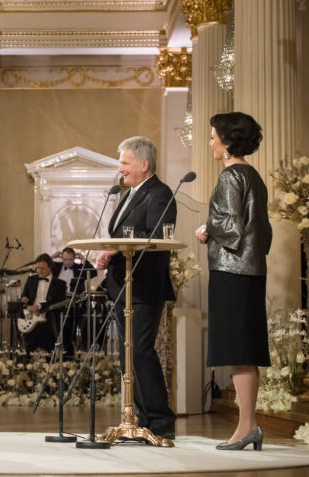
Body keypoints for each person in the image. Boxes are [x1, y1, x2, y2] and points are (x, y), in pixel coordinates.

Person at [196, 112, 271, 451]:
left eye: (214, 137)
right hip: (252, 270)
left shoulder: (230, 177)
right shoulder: (254, 177)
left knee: (240, 351)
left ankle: (246, 427)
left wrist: (206, 228)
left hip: (231, 271)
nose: (211, 142)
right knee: (247, 350)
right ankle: (248, 426)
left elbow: (232, 228)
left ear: (226, 143)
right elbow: (261, 233)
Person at [95, 136, 176, 440]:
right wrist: (108, 252)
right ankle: (140, 417)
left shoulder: (160, 193)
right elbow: (124, 234)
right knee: (127, 356)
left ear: (144, 164)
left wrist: (115, 249)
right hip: (122, 286)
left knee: (140, 351)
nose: (120, 169)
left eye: (125, 163)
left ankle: (160, 421)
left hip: (143, 286)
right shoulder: (127, 194)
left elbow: (154, 235)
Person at [51, 247, 96, 354]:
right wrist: (52, 256)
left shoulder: (79, 268)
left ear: (74, 258)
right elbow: (43, 265)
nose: (67, 262)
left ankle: (70, 351)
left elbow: (94, 272)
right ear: (61, 257)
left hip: (75, 303)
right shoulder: (56, 267)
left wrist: (83, 259)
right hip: (58, 302)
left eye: (70, 259)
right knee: (56, 329)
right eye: (65, 259)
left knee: (70, 329)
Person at [20, 253, 68, 353]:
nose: (39, 271)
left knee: (49, 351)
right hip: (30, 319)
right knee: (28, 350)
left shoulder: (60, 284)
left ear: (50, 267)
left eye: (42, 268)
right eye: (37, 268)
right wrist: (24, 299)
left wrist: (39, 306)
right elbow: (25, 295)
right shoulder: (31, 279)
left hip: (49, 320)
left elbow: (58, 301)